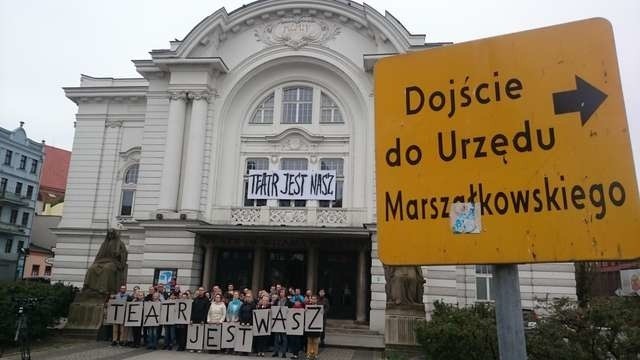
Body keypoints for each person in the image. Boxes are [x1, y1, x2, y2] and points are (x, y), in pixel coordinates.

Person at [190, 287, 210, 353]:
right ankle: (193, 347)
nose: (200, 291)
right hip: (195, 318)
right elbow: (192, 310)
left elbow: (206, 311)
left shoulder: (206, 300)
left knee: (201, 334)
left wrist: (203, 320)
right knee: (194, 333)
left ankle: (199, 347)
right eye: (199, 290)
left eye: (202, 290)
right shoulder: (195, 299)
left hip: (201, 319)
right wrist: (191, 319)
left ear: (204, 291)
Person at [273, 289, 291, 358]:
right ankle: (276, 352)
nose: (281, 293)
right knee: (276, 338)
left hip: (285, 321)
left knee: (284, 338)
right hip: (277, 321)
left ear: (285, 293)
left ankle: (284, 353)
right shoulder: (277, 301)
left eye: (283, 292)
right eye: (280, 292)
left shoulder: (288, 301)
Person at [305, 295, 322, 360]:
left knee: (315, 342)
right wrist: (305, 311)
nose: (313, 300)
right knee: (309, 342)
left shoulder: (319, 307)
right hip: (309, 327)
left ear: (316, 300)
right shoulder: (308, 307)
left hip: (316, 327)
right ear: (310, 300)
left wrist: (322, 312)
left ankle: (315, 354)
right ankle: (309, 354)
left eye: (315, 299)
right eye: (312, 299)